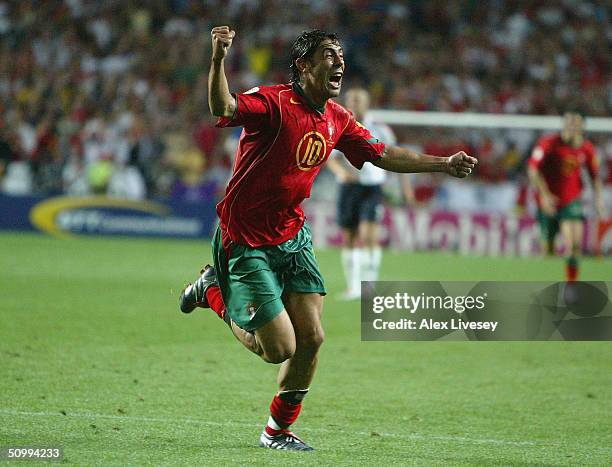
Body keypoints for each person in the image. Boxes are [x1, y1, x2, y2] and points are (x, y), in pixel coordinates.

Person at [179, 26, 477, 451]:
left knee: (313, 339)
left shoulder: (337, 118)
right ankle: (212, 290)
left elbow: (383, 154)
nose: (339, 62)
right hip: (245, 239)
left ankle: (276, 433)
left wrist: (443, 163)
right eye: (328, 55)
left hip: (293, 235)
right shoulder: (274, 102)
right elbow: (222, 106)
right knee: (279, 348)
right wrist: (217, 59)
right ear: (303, 65)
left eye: (340, 54)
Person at [327, 87, 414, 299]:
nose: (354, 104)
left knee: (368, 236)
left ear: (366, 104)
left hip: (372, 187)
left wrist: (406, 189)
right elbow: (331, 157)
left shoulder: (381, 129)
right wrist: (341, 172)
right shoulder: (340, 126)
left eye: (358, 100)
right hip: (348, 188)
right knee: (348, 238)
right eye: (351, 100)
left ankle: (369, 286)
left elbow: (398, 158)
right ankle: (353, 287)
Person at [528, 111, 604, 281]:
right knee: (548, 250)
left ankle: (571, 286)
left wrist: (598, 200)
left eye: (575, 124)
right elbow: (533, 169)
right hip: (547, 202)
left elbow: (595, 176)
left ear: (581, 127)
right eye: (568, 123)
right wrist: (545, 195)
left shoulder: (587, 148)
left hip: (571, 200)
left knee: (574, 245)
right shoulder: (548, 143)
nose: (570, 127)